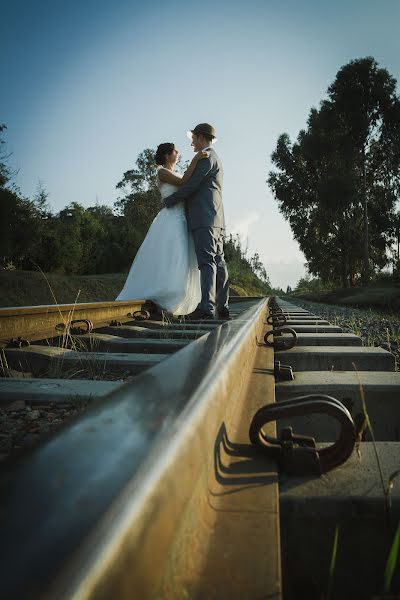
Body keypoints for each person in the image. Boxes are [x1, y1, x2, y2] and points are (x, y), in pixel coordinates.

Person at [115, 143, 208, 315]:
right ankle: (164, 296)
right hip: (170, 219)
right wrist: (195, 159)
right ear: (166, 155)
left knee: (179, 257)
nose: (178, 153)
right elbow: (182, 182)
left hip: (181, 218)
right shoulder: (162, 172)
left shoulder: (173, 171)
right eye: (175, 151)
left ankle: (173, 296)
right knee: (171, 255)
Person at [163, 123, 230, 320]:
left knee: (207, 261)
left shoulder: (206, 157)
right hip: (216, 217)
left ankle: (206, 308)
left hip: (204, 217)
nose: (191, 141)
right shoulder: (216, 158)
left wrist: (170, 200)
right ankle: (222, 306)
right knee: (219, 261)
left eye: (193, 137)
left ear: (201, 137)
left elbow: (192, 186)